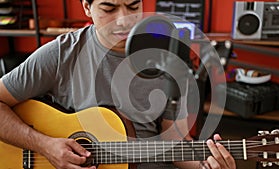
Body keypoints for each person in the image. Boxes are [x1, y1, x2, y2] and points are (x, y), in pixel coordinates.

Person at [0, 0, 236, 169]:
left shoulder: (168, 55)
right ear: (86, 7)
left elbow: (173, 141)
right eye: (109, 8)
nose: (124, 20)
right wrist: (45, 146)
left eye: (133, 6)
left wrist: (207, 164)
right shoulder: (61, 54)